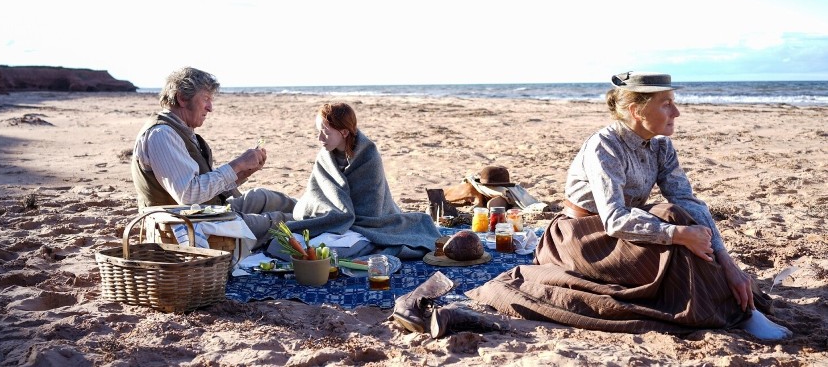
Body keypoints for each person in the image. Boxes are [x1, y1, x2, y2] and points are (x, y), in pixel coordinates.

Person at [460, 72, 790, 339]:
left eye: (673, 102)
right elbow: (616, 218)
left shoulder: (661, 147)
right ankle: (738, 313)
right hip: (581, 238)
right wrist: (676, 233)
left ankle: (733, 303)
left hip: (622, 233)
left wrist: (728, 262)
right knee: (674, 222)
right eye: (666, 104)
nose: (676, 112)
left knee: (683, 215)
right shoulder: (605, 146)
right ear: (635, 110)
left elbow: (689, 201)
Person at [130, 67, 296, 249]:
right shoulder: (161, 135)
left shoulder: (182, 131)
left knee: (264, 197)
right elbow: (188, 195)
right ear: (182, 98)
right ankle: (321, 222)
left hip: (207, 213)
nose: (210, 108)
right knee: (280, 222)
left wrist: (243, 171)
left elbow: (204, 188)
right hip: (184, 227)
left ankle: (321, 210)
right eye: (206, 99)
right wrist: (237, 164)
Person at [267, 102, 441, 260]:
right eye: (318, 132)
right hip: (333, 221)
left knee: (331, 252)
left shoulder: (369, 156)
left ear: (344, 132)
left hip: (366, 226)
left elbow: (372, 209)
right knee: (279, 244)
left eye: (325, 132)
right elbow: (316, 196)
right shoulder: (325, 156)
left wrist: (345, 220)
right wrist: (335, 217)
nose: (320, 138)